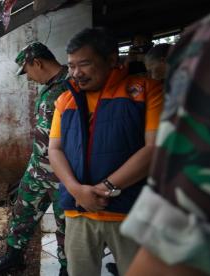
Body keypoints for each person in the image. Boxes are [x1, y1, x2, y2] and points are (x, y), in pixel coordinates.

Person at [47, 28, 163, 276]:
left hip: (131, 210)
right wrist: (77, 190)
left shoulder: (144, 91)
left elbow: (155, 148)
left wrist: (106, 188)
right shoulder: (65, 100)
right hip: (79, 210)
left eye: (85, 64)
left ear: (111, 60)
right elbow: (54, 150)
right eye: (71, 66)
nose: (76, 73)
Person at [121, 14, 210, 276]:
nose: (151, 76)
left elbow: (171, 248)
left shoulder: (200, 52)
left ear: (164, 62)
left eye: (153, 71)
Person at [0, 42, 69, 275]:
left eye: (27, 71)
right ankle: (13, 258)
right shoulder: (49, 87)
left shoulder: (72, 84)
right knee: (22, 213)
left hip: (64, 173)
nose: (28, 77)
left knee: (66, 226)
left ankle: (67, 269)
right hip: (38, 168)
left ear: (37, 62)